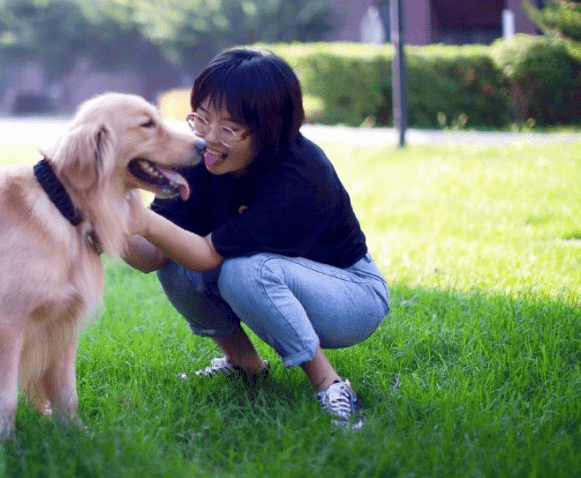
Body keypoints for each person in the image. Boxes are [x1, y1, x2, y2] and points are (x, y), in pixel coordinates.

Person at [124, 47, 390, 428]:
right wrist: (105, 218)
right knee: (173, 256)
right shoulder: (200, 157)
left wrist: (140, 220)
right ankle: (245, 366)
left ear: (268, 131)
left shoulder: (300, 176)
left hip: (351, 295)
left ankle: (332, 386)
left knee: (243, 271)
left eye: (228, 129)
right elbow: (150, 257)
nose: (208, 139)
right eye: (200, 119)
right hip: (274, 274)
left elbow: (203, 255)